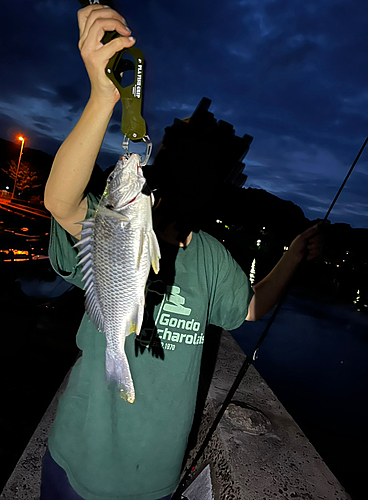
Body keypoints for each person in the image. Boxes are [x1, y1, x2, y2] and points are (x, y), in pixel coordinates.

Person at [42, 4, 323, 500]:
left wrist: (293, 256)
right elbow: (60, 201)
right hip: (72, 463)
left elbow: (252, 306)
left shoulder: (211, 256)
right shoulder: (111, 222)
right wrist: (104, 97)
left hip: (152, 482)